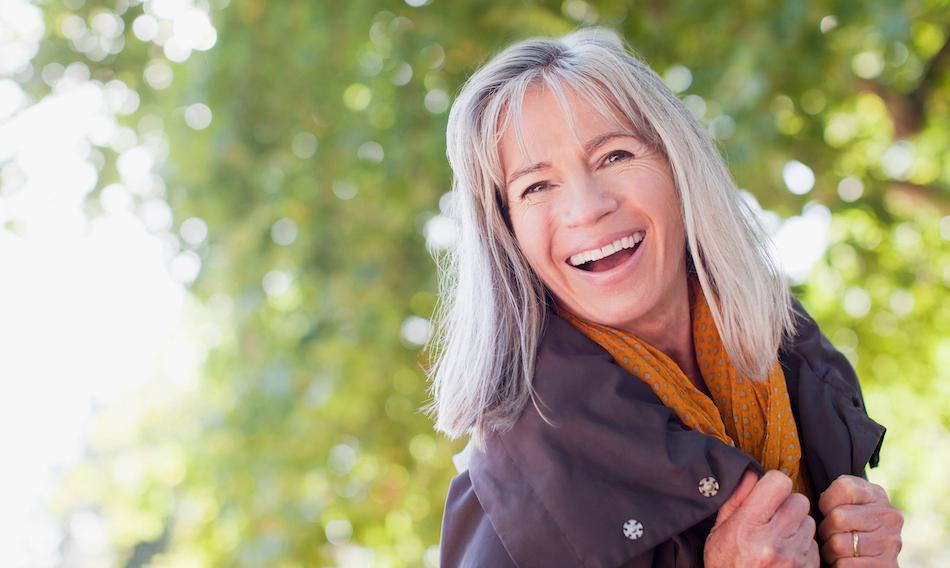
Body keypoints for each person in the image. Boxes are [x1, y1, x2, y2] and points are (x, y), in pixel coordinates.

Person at [424, 27, 903, 567]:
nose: (587, 207)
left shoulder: (796, 358)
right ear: (508, 234)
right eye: (536, 186)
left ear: (679, 166)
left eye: (614, 156)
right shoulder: (511, 498)